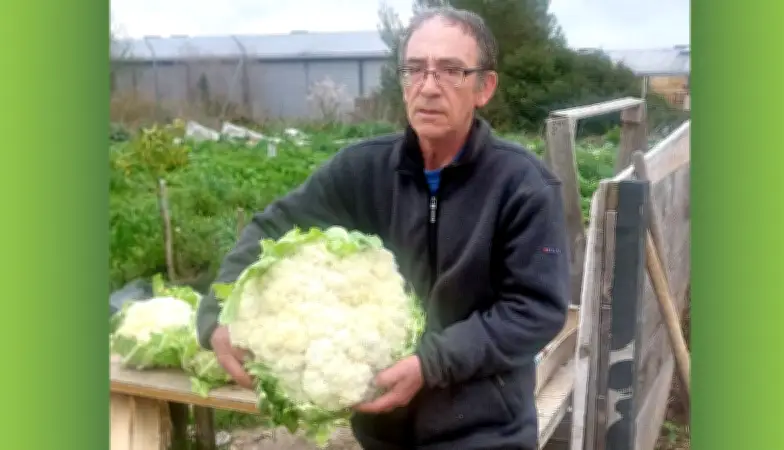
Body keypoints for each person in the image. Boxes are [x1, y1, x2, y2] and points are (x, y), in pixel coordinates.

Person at [196, 6, 570, 450]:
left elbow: (535, 309)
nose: (429, 87)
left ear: (483, 87)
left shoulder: (522, 185)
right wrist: (217, 316)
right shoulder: (362, 170)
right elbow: (272, 226)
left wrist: (432, 364)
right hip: (383, 433)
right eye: (415, 69)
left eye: (451, 71)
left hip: (487, 434)